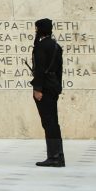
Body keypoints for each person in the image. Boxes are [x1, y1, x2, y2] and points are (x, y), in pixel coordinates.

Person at [31, 17, 64, 167]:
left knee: (49, 122)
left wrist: (37, 89)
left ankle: (54, 157)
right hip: (53, 87)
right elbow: (59, 71)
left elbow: (39, 70)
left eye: (37, 28)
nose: (36, 31)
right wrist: (58, 87)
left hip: (44, 88)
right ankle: (58, 155)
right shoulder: (56, 46)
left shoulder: (41, 47)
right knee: (53, 123)